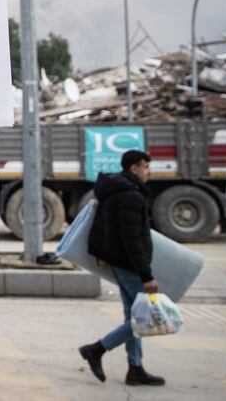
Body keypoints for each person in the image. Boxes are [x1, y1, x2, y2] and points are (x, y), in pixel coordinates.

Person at [80, 150, 166, 386]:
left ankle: (135, 368)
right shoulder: (131, 196)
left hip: (119, 262)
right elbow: (132, 240)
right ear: (134, 169)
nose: (149, 172)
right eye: (145, 167)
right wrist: (146, 275)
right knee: (142, 318)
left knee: (134, 316)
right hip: (129, 265)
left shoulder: (116, 191)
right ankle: (97, 349)